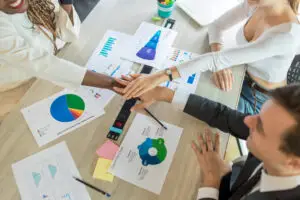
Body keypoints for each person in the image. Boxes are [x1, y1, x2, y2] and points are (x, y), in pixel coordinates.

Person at [116, 76, 300, 200]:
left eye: (260, 127)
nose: (248, 120)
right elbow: (226, 116)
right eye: (259, 114)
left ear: (294, 164)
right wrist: (164, 94)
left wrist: (213, 183)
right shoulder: (280, 140)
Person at [117, 0, 300, 115]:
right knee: (182, 93)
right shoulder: (257, 2)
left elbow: (213, 60)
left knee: (182, 106)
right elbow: (216, 26)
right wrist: (220, 60)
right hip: (238, 73)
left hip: (255, 98)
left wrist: (158, 77)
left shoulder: (286, 35)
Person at [0, 0, 119, 120]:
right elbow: (39, 63)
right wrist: (111, 83)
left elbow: (69, 34)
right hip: (17, 90)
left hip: (53, 69)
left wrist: (66, 3)